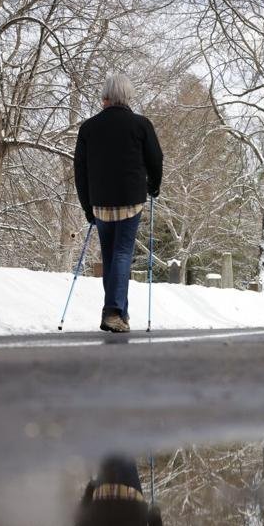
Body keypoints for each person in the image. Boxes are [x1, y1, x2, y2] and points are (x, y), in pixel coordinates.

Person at [74, 73, 164, 333]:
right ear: (128, 96)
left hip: (100, 202)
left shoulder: (89, 128)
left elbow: (80, 169)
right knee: (122, 253)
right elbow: (155, 159)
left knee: (111, 255)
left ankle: (119, 314)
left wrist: (86, 206)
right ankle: (113, 312)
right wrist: (153, 187)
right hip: (130, 199)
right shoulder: (140, 125)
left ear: (105, 98)